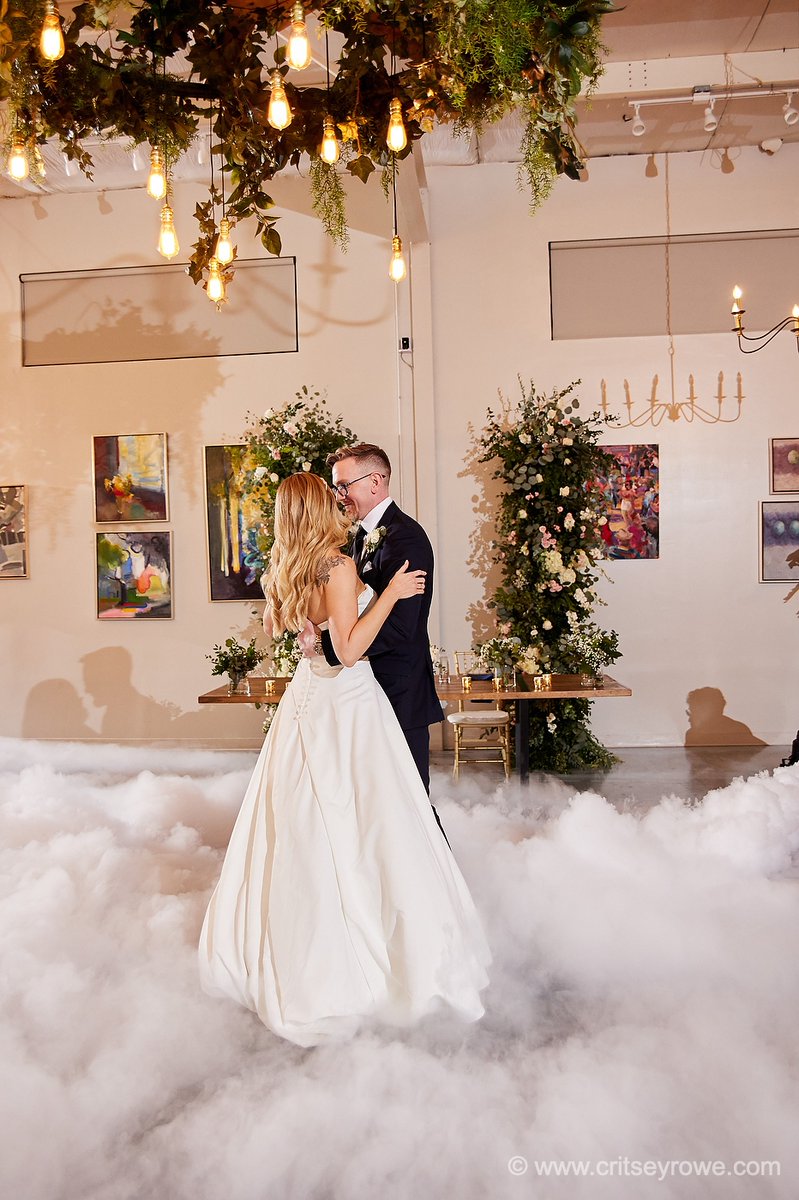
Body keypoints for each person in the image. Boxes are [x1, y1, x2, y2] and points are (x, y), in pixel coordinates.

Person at [198, 473, 490, 1048]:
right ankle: (372, 954)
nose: (341, 500)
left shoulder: (286, 568)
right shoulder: (335, 565)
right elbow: (351, 649)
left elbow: (295, 634)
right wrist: (389, 594)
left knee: (313, 818)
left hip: (307, 697)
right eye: (331, 496)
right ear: (317, 508)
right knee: (372, 816)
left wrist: (317, 633)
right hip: (348, 701)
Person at [324, 444, 443, 795]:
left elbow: (402, 627)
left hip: (398, 692)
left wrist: (334, 648)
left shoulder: (406, 538)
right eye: (336, 487)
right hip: (367, 689)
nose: (339, 496)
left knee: (410, 803)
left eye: (344, 486)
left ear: (376, 481)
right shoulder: (358, 537)